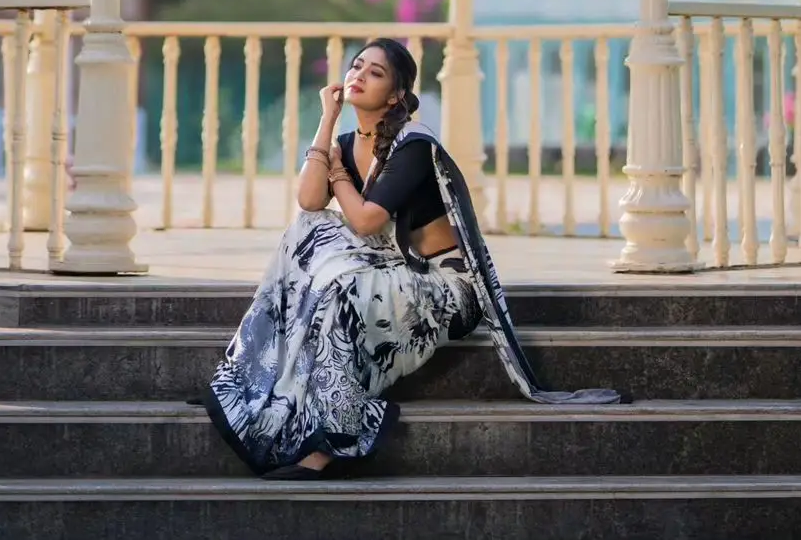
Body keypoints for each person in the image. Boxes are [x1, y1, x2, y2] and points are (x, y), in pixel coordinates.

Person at [202, 37, 624, 480]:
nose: (359, 76)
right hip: (395, 272)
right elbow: (309, 200)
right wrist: (327, 119)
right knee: (305, 233)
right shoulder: (346, 140)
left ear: (397, 95)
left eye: (375, 73)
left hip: (446, 287)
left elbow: (366, 220)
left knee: (340, 291)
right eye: (357, 66)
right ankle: (252, 378)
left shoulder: (413, 145)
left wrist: (339, 172)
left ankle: (332, 442)